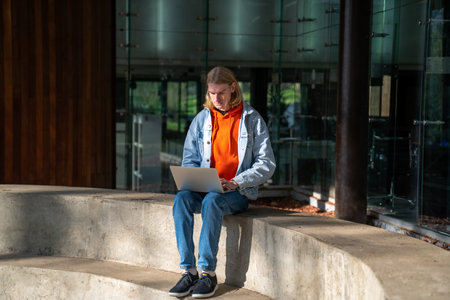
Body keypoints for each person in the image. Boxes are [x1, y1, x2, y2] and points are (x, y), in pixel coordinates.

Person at [168, 66, 276, 298]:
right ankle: (188, 271)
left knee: (213, 202)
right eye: (212, 93)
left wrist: (236, 182)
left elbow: (266, 164)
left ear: (233, 88)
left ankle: (208, 273)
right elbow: (190, 159)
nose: (216, 99)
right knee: (181, 200)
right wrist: (197, 177)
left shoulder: (252, 120)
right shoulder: (201, 120)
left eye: (221, 93)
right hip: (206, 187)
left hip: (237, 192)